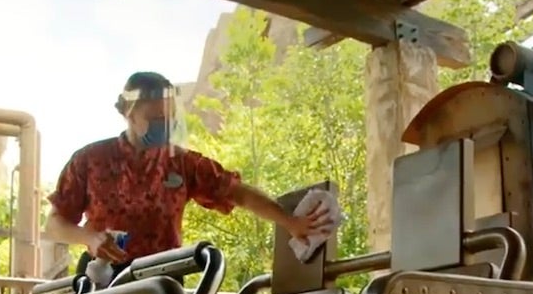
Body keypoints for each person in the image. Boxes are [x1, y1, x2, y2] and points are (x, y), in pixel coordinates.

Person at [44, 71, 331, 280]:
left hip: (161, 279)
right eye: (155, 119)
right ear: (129, 114)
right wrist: (89, 238)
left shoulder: (183, 163)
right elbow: (56, 223)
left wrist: (290, 222)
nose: (164, 127)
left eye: (169, 119)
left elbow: (237, 192)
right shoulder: (90, 159)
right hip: (103, 278)